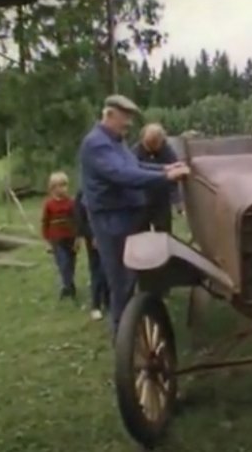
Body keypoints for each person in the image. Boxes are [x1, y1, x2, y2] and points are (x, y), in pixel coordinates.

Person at [79, 94, 190, 336]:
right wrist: (165, 177)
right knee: (121, 281)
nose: (128, 124)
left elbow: (135, 166)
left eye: (130, 119)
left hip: (126, 216)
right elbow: (123, 175)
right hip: (112, 220)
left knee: (131, 277)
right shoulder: (97, 144)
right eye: (124, 119)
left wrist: (165, 167)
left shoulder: (115, 141)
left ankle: (132, 328)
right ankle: (123, 340)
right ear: (109, 115)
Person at [131, 123, 183, 233]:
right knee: (140, 235)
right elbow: (132, 173)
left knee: (164, 234)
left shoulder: (167, 151)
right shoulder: (135, 152)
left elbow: (174, 177)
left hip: (161, 200)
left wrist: (177, 201)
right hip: (141, 200)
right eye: (148, 144)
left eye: (155, 144)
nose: (151, 148)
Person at [41, 171, 79, 300]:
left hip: (70, 237)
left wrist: (78, 238)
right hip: (56, 239)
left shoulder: (71, 203)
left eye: (65, 185)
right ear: (52, 188)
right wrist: (47, 241)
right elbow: (45, 222)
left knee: (71, 263)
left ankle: (69, 284)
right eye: (59, 186)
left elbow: (77, 220)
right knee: (63, 263)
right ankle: (67, 286)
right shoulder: (49, 204)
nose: (63, 188)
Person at [74, 189, 109, 321]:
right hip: (93, 236)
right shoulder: (84, 192)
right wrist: (91, 235)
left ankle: (108, 300)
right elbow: (80, 216)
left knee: (108, 269)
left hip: (108, 233)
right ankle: (96, 305)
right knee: (97, 270)